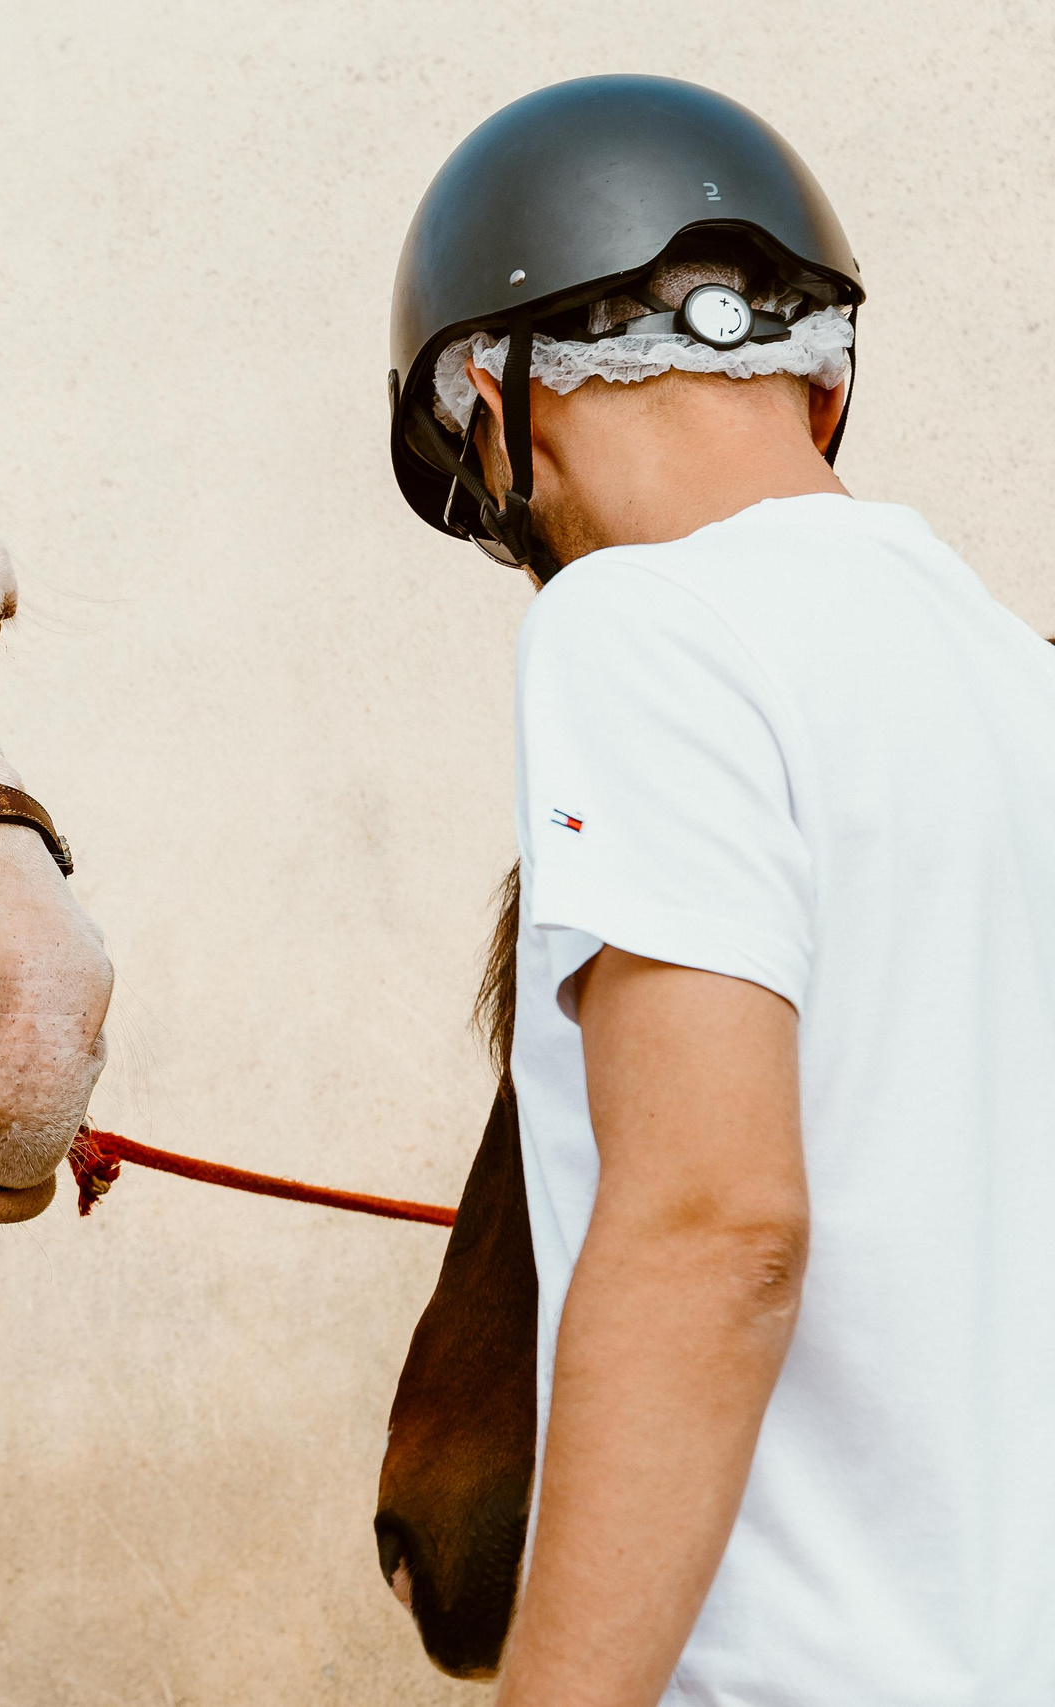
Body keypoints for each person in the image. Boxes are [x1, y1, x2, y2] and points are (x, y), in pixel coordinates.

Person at [388, 76, 1055, 1706]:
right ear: (821, 383)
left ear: (497, 397)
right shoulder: (1012, 683)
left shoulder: (637, 627)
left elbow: (714, 1227)